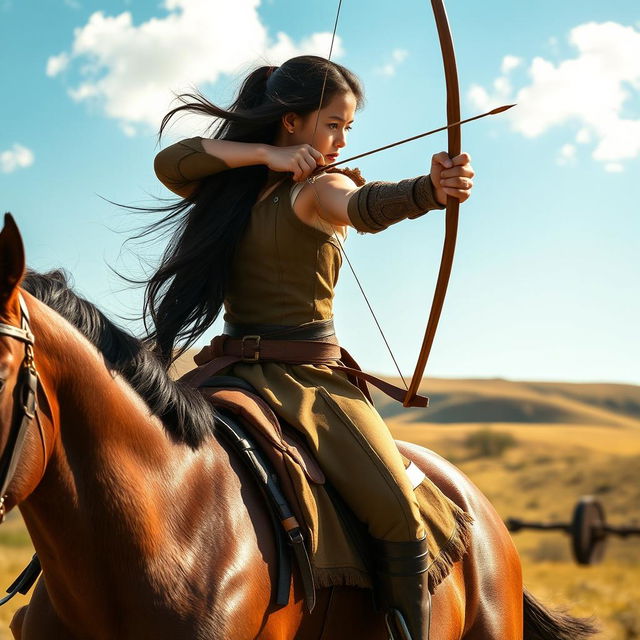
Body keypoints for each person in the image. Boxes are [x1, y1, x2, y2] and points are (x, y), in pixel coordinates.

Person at [149, 55, 474, 640]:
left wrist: (429, 190)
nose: (341, 140)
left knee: (400, 513)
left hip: (312, 386)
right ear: (291, 122)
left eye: (348, 128)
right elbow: (170, 160)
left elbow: (364, 206)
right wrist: (265, 156)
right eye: (333, 124)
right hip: (229, 372)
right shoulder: (233, 184)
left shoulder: (322, 188)